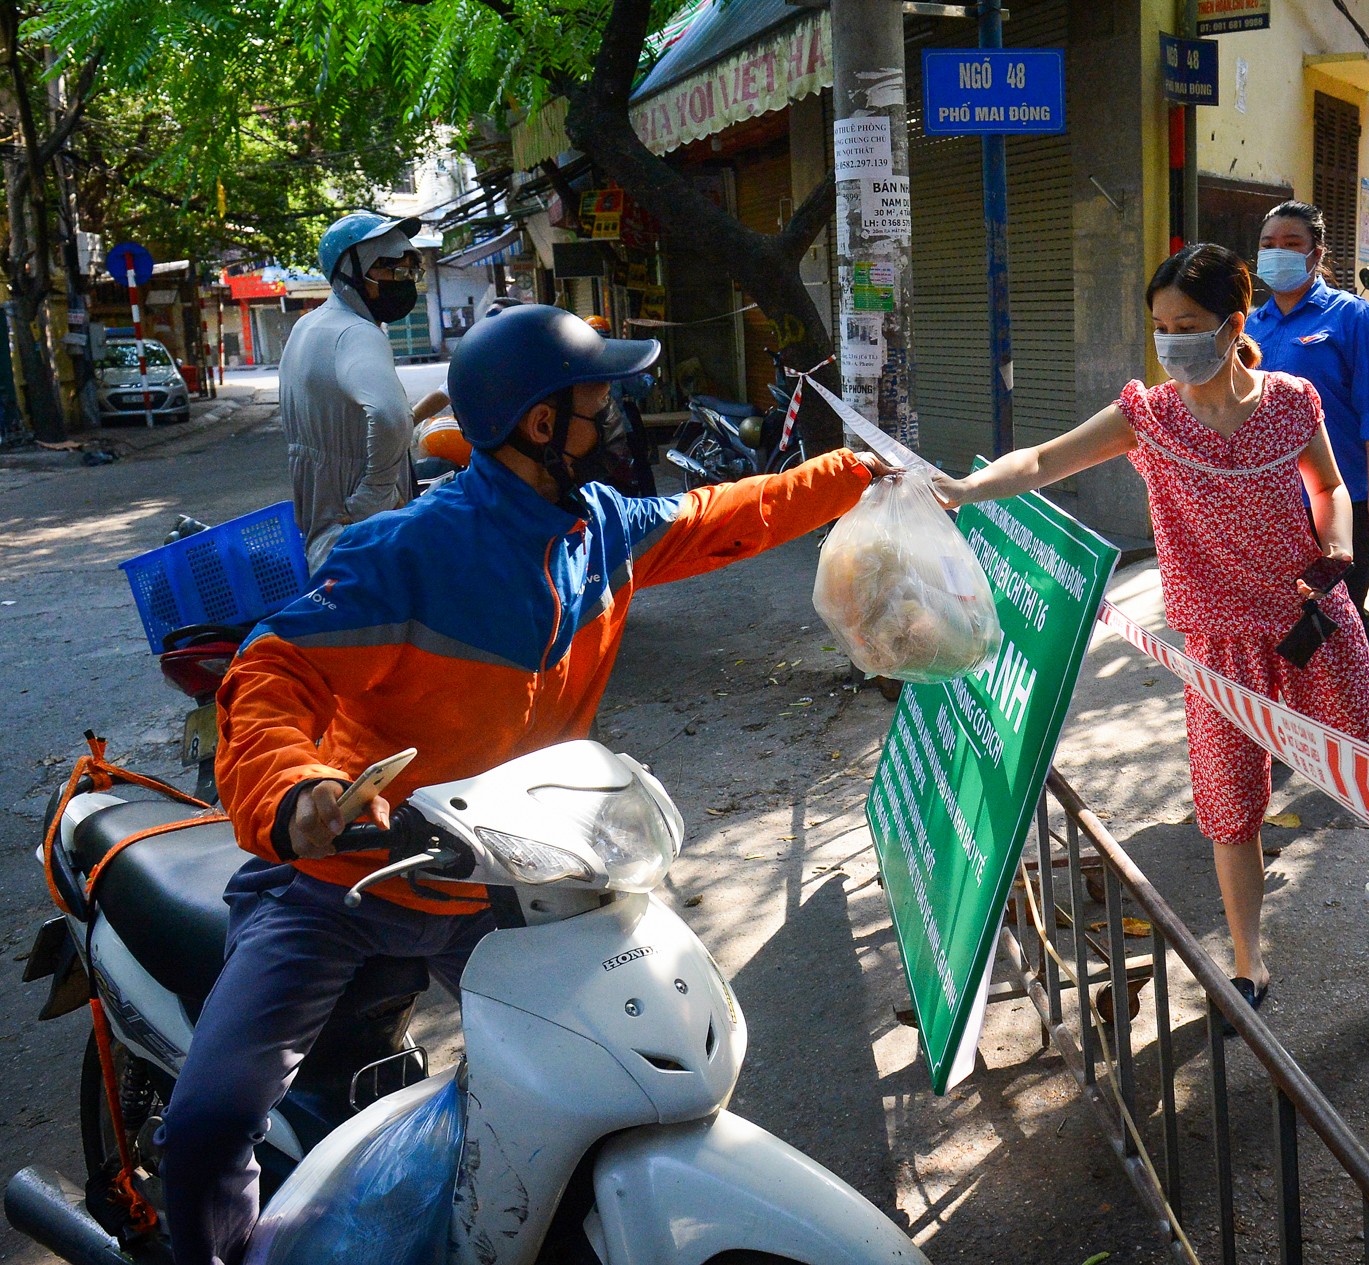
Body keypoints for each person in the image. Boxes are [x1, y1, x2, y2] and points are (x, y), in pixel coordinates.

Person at [157, 304, 894, 1265]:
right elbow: (268, 669)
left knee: (610, 1071)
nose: (620, 415)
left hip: (502, 882)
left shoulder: (603, 529)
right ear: (543, 425)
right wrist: (296, 789)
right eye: (601, 399)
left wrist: (861, 473)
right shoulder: (407, 554)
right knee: (210, 1122)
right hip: (347, 885)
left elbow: (729, 517)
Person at [933, 244, 1369, 1025]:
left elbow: (1328, 486)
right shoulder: (1147, 417)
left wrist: (1334, 542)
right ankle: (1248, 961)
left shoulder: (1293, 401)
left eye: (1186, 325)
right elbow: (1039, 459)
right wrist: (964, 489)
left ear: (1233, 326)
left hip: (1312, 624)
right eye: (1159, 327)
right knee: (1233, 805)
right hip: (1218, 646)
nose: (1169, 343)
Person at [1246, 201, 1369, 692]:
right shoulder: (1251, 325)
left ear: (1315, 254)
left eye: (1291, 245)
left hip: (1344, 497)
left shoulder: (1354, 318)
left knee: (1342, 611)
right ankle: (1301, 715)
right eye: (1268, 245)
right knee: (1286, 613)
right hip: (1273, 503)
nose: (1277, 254)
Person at [281, 211, 427, 571]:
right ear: (350, 270)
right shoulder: (357, 332)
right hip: (365, 533)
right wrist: (374, 494)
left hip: (324, 532)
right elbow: (392, 417)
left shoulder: (306, 327)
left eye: (409, 272)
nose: (403, 281)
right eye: (391, 270)